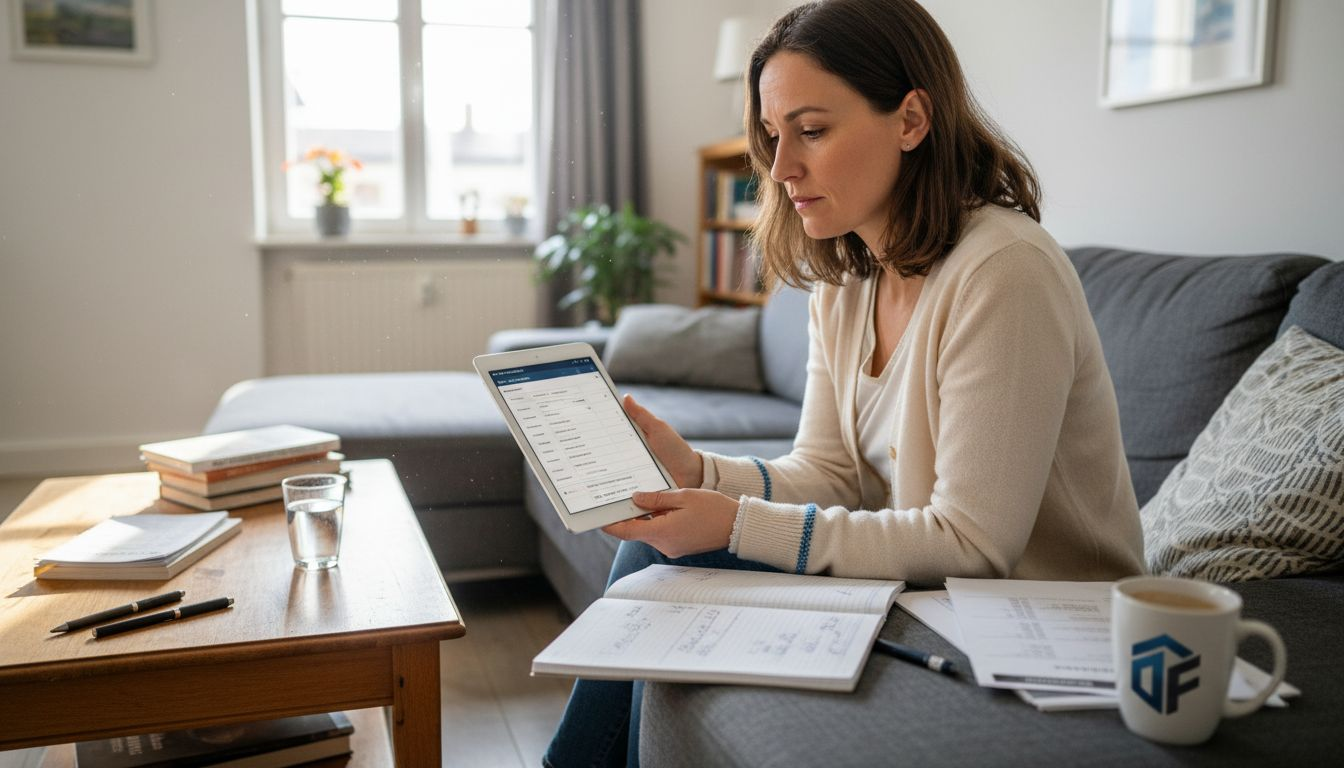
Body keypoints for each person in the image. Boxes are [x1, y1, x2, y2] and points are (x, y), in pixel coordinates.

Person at [544, 1, 1144, 765]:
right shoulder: (847, 278)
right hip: (938, 593)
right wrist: (700, 474)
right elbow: (829, 473)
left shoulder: (1005, 272)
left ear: (912, 119)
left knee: (666, 563)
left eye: (812, 130)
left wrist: (728, 524)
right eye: (772, 134)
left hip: (1041, 611)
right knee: (656, 562)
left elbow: (975, 542)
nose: (781, 166)